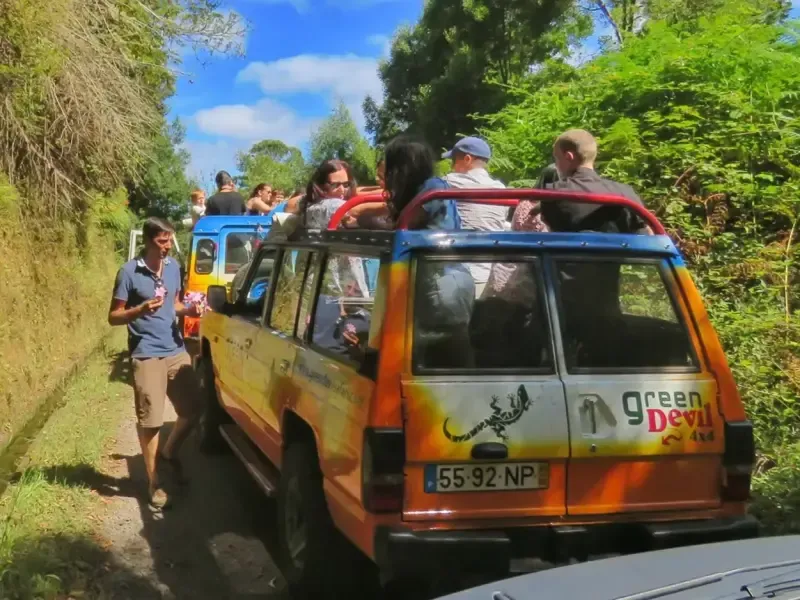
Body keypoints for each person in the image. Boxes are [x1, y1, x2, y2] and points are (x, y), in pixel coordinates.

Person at [108, 217, 201, 509]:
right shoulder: (128, 272)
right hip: (146, 353)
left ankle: (170, 452)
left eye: (169, 240)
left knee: (194, 409)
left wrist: (190, 309)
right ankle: (154, 483)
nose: (167, 246)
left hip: (175, 349)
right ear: (148, 241)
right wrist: (140, 309)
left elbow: (173, 304)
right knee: (151, 421)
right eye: (162, 241)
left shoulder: (173, 267)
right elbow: (113, 317)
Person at [540, 129, 650, 234]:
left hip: (569, 253)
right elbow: (646, 233)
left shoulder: (552, 193)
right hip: (621, 253)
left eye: (557, 158)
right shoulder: (626, 192)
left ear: (569, 156)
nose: (556, 165)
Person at [300, 160, 357, 229]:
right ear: (321, 185)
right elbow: (358, 208)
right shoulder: (323, 206)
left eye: (346, 184)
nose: (342, 190)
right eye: (335, 185)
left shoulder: (310, 203)